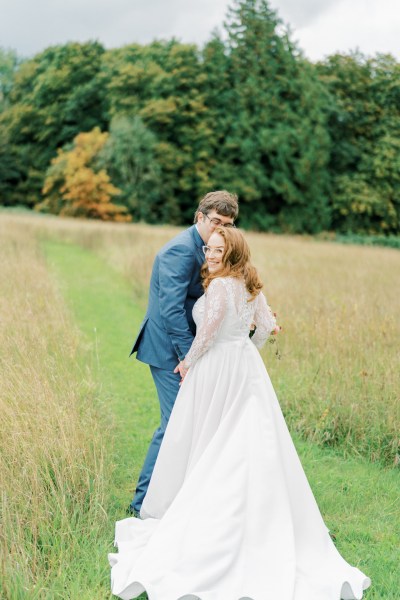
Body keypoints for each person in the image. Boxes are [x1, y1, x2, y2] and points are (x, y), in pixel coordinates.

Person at [110, 227, 371, 600]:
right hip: (246, 367)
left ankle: (213, 513)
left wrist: (188, 363)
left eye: (217, 250)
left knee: (214, 438)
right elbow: (264, 327)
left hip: (217, 368)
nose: (209, 254)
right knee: (246, 438)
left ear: (231, 252)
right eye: (208, 248)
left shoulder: (218, 287)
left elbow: (209, 333)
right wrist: (247, 349)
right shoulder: (251, 284)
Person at [128, 191, 239, 515]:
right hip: (168, 350)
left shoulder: (214, 249)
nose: (221, 228)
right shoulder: (179, 250)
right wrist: (188, 360)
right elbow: (172, 311)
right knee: (175, 423)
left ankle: (181, 497)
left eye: (228, 224)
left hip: (188, 350)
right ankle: (142, 503)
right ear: (199, 217)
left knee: (189, 422)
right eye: (216, 222)